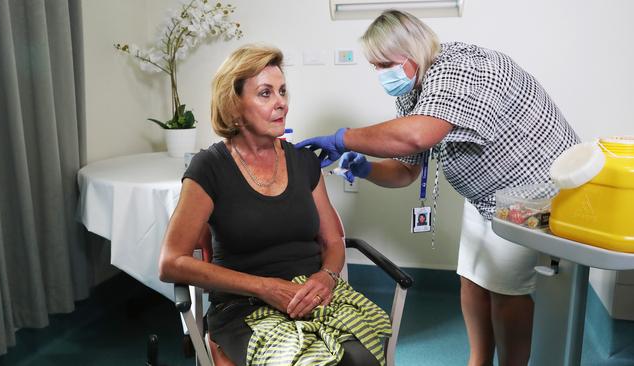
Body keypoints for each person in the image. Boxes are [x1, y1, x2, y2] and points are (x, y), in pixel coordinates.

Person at [296, 10, 580, 366]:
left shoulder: (459, 68)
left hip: (532, 194)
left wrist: (343, 138)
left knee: (508, 293)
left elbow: (416, 135)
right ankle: (478, 361)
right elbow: (405, 170)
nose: (382, 74)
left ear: (413, 55)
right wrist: (366, 167)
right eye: (375, 66)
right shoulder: (414, 91)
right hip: (485, 198)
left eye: (386, 63)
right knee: (472, 281)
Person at [159, 44, 390, 366]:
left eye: (282, 91)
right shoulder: (209, 168)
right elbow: (171, 263)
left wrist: (325, 277)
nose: (281, 102)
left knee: (360, 360)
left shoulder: (304, 162)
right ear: (234, 105)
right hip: (245, 306)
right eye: (265, 94)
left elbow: (333, 240)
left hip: (312, 295)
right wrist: (265, 287)